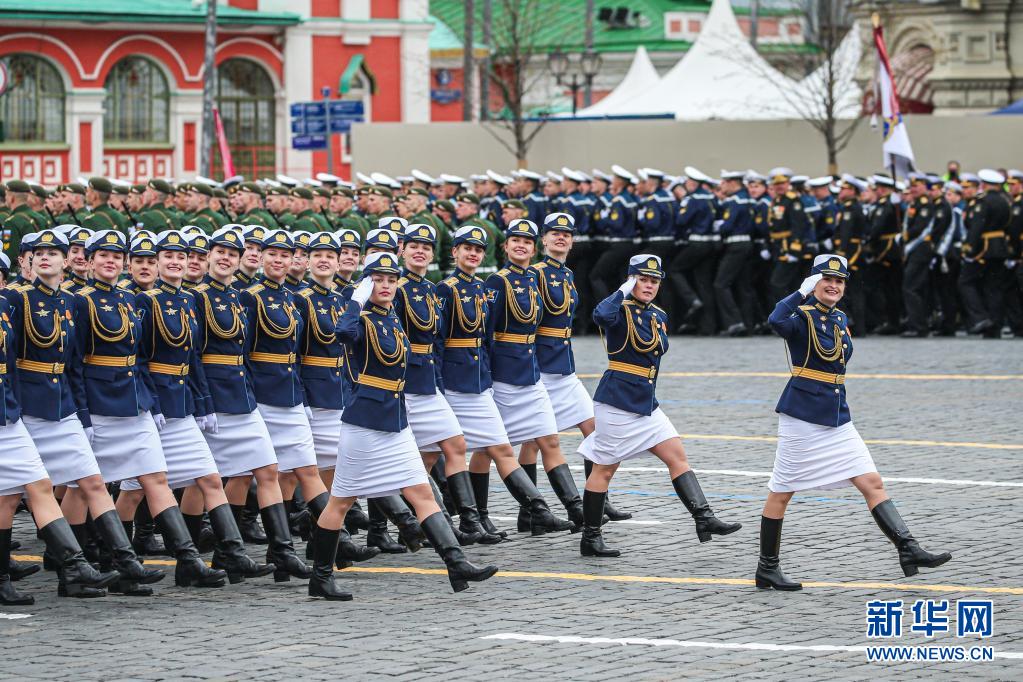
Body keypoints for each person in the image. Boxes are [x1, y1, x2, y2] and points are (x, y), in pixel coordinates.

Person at [306, 252, 499, 600]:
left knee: (421, 493)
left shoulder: (391, 317)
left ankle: (456, 564)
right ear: (366, 284)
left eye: (391, 280)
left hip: (396, 420)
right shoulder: (361, 318)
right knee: (340, 502)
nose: (386, 286)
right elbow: (341, 334)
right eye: (378, 280)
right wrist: (355, 301)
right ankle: (320, 577)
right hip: (365, 423)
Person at [756, 254, 952, 590]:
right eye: (826, 280)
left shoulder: (840, 318)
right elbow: (775, 320)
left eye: (839, 281)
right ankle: (767, 568)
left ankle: (908, 549)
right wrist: (800, 293)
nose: (833, 286)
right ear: (814, 282)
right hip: (803, 416)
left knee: (872, 482)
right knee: (782, 491)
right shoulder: (800, 316)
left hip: (837, 416)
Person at [9, 228, 164, 596]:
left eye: (53, 252)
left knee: (92, 482)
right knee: (12, 495)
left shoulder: (70, 302)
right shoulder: (15, 299)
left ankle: (119, 562)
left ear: (67, 261)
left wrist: (80, 413)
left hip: (62, 406)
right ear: (27, 260)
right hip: (26, 409)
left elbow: (73, 363)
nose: (45, 257)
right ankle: (37, 572)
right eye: (38, 252)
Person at [72, 230, 228, 588]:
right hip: (100, 404)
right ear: (90, 261)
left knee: (155, 479)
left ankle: (187, 560)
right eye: (103, 256)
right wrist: (81, 413)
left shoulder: (129, 300)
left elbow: (138, 358)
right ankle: (85, 566)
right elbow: (74, 363)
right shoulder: (81, 302)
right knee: (84, 487)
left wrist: (150, 402)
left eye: (116, 256)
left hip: (136, 403)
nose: (111, 262)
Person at [119, 229, 274, 585]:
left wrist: (202, 404)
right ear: (157, 262)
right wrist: (150, 401)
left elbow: (193, 358)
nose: (175, 262)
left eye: (181, 256)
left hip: (183, 404)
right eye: (168, 256)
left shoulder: (188, 301)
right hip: (154, 407)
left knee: (208, 478)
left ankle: (225, 554)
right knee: (133, 490)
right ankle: (118, 558)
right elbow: (136, 359)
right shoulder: (144, 301)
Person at [578, 254, 742, 557]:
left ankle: (704, 518)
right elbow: (600, 316)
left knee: (677, 455)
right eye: (643, 279)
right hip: (617, 401)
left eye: (654, 281)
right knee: (605, 469)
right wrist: (623, 290)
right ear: (631, 280)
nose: (649, 285)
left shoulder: (658, 315)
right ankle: (590, 537)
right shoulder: (619, 309)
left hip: (646, 401)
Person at [190, 226, 313, 577]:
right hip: (215, 397)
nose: (226, 258)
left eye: (233, 253)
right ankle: (205, 551)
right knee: (205, 478)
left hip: (242, 395)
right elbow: (193, 354)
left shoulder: (237, 296)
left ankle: (281, 550)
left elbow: (243, 352)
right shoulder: (197, 297)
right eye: (220, 252)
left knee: (266, 469)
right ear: (209, 256)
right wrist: (203, 400)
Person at [439, 225, 574, 538]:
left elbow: (485, 336)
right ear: (455, 251)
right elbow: (440, 340)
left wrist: (485, 374)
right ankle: (440, 523)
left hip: (482, 380)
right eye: (467, 248)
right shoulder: (451, 289)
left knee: (498, 448)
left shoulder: (481, 287)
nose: (473, 253)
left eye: (478, 249)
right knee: (433, 456)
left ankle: (518, 515)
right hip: (456, 381)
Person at [1, 299, 121, 602]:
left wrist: (14, 406)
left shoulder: (2, 306)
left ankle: (73, 567)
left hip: (7, 414)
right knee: (10, 496)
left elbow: (11, 363)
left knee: (34, 486)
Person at [522, 212, 631, 521]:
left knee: (594, 429)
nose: (561, 237)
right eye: (554, 233)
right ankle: (530, 512)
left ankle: (598, 498)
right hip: (540, 367)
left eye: (567, 234)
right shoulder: (535, 274)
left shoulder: (567, 274)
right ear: (543, 240)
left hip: (564, 368)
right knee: (534, 441)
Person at [394, 223, 496, 544]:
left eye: (426, 247)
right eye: (414, 246)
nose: (420, 251)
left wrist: (437, 381)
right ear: (402, 250)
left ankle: (468, 521)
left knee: (452, 447)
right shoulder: (396, 289)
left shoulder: (430, 288)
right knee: (414, 459)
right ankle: (419, 525)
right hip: (406, 383)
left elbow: (437, 342)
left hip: (429, 381)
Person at [483, 218, 585, 532]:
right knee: (487, 449)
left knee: (547, 440)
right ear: (505, 246)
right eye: (516, 240)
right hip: (504, 373)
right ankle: (479, 517)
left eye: (526, 241)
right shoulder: (498, 281)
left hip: (532, 371)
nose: (521, 246)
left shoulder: (532, 278)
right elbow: (486, 332)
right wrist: (486, 375)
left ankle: (576, 511)